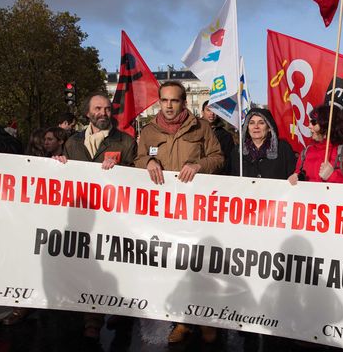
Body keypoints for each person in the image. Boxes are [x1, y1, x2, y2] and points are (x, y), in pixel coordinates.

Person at [134, 82, 223, 344]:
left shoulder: (201, 127)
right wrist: (147, 161)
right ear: (159, 102)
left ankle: (206, 320)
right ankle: (182, 322)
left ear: (184, 102)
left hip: (195, 210)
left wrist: (199, 164)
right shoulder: (149, 131)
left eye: (174, 101)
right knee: (174, 268)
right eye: (164, 101)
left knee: (200, 266)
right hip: (163, 213)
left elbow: (218, 157)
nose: (169, 105)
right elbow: (137, 160)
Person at [55, 92, 137, 339]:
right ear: (88, 113)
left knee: (114, 264)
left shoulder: (124, 141)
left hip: (114, 216)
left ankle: (118, 310)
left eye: (108, 109)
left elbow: (137, 174)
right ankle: (92, 318)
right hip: (84, 215)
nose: (104, 113)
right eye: (98, 109)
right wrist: (57, 163)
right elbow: (65, 172)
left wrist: (121, 171)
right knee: (88, 265)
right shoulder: (72, 142)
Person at [288, 104, 343, 185]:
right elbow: (297, 181)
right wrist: (294, 180)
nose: (309, 126)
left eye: (314, 122)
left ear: (327, 126)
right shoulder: (306, 153)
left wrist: (333, 176)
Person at [231, 107, 296, 179]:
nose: (256, 127)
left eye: (261, 123)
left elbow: (294, 175)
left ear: (269, 128)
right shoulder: (238, 151)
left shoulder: (283, 148)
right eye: (251, 123)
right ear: (247, 127)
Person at [202, 100, 235, 174]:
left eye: (215, 110)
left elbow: (228, 161)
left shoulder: (226, 136)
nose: (212, 114)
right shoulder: (194, 131)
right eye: (208, 110)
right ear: (202, 112)